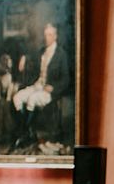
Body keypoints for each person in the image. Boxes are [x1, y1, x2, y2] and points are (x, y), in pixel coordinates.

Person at [11, 23, 70, 152]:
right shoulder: (41, 51)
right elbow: (31, 59)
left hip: (50, 90)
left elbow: (66, 79)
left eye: (49, 35)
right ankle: (28, 132)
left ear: (55, 36)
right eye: (45, 35)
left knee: (32, 99)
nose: (46, 38)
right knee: (17, 97)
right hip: (37, 85)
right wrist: (24, 58)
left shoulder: (61, 54)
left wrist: (54, 87)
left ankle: (24, 134)